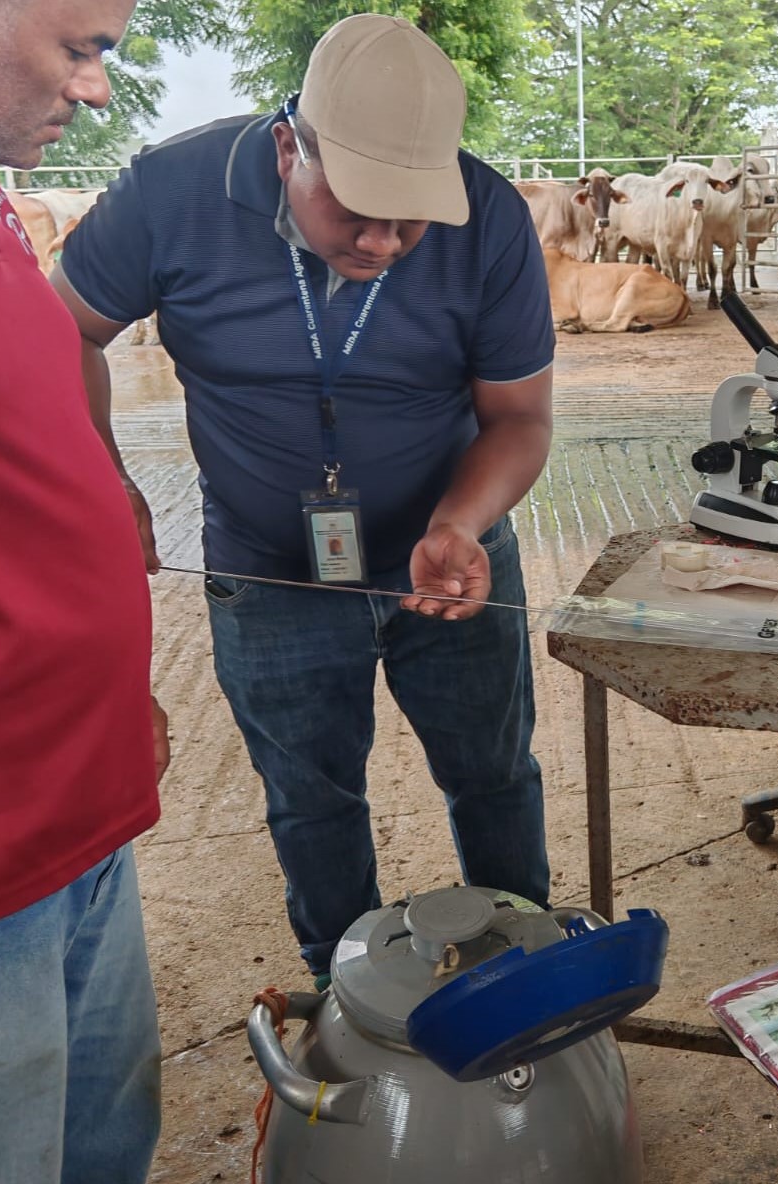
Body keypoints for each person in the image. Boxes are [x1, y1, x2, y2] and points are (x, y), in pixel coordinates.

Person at [52, 13, 556, 990]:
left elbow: (522, 417)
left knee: (494, 773)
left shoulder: (487, 216)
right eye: (359, 209)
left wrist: (458, 521)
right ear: (291, 148)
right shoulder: (173, 192)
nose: (384, 240)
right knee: (311, 796)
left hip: (442, 558)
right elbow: (61, 327)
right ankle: (346, 994)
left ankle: (523, 974)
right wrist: (104, 477)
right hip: (267, 565)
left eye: (412, 218)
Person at [0, 1, 170, 1181]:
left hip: (80, 803)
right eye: (79, 47)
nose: (99, 90)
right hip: (5, 852)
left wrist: (111, 697)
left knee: (104, 1144)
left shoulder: (0, 211)